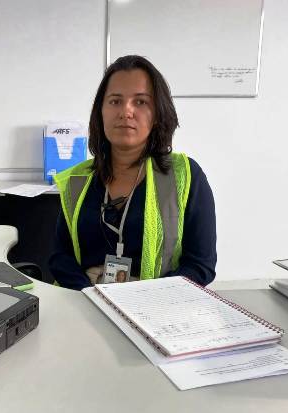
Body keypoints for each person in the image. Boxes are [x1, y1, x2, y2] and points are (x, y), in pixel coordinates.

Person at [49, 55, 216, 290]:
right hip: (85, 300)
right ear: (101, 112)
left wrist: (143, 299)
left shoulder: (186, 176)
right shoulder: (78, 178)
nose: (126, 112)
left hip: (157, 308)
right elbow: (60, 257)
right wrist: (90, 295)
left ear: (158, 114)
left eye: (140, 102)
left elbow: (201, 265)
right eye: (115, 101)